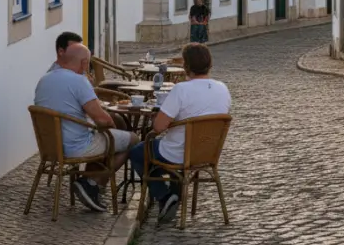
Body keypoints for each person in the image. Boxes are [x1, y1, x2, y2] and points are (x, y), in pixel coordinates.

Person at [131, 43, 232, 221]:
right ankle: (174, 195)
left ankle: (164, 196)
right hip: (206, 153)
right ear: (210, 65)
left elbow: (159, 127)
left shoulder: (181, 90)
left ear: (185, 66)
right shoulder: (222, 88)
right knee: (174, 155)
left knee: (138, 152)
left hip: (178, 153)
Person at [34, 43, 139, 212]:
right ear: (84, 63)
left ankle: (90, 180)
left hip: (52, 148)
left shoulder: (45, 79)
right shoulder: (78, 81)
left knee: (103, 137)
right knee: (132, 140)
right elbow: (102, 119)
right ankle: (93, 184)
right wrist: (112, 127)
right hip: (77, 147)